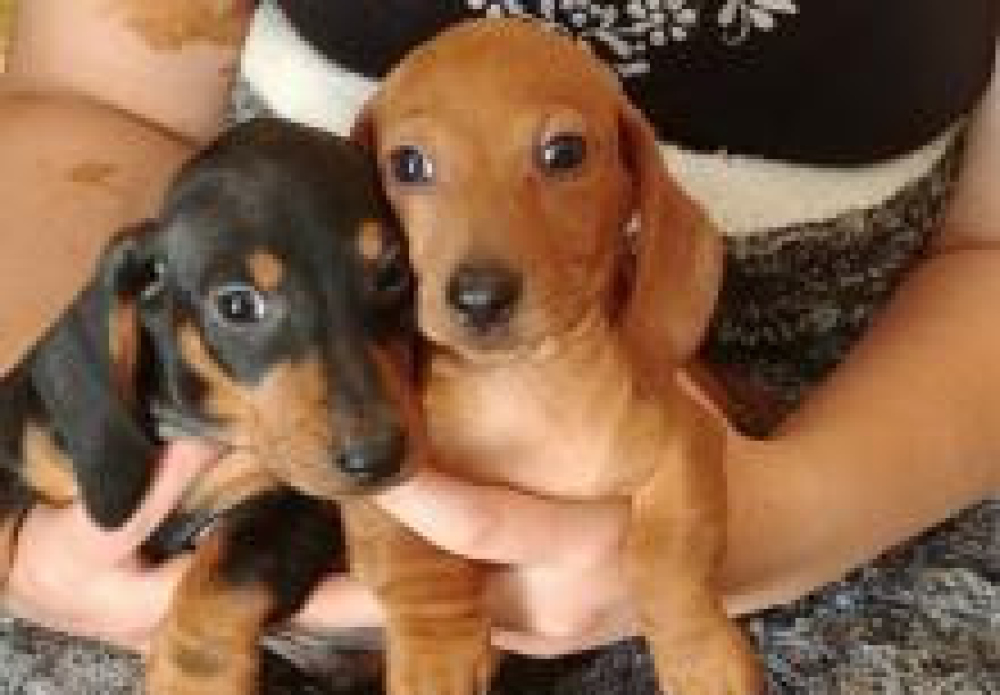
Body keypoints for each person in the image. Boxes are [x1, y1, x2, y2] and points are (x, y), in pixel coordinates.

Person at [1, 0, 998, 661]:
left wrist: (772, 525)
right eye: (410, 169)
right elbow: (100, 105)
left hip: (859, 450)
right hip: (242, 421)